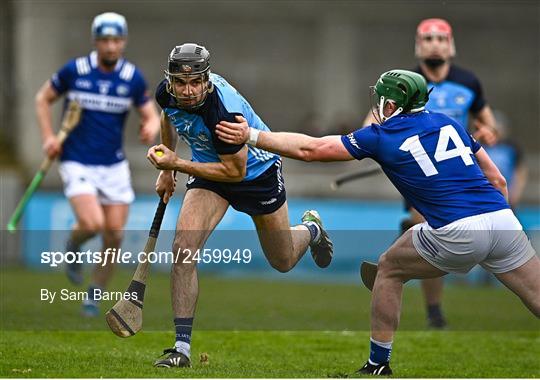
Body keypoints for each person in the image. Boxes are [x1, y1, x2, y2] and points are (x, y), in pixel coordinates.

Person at [215, 69, 539, 376]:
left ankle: (377, 364)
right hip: (501, 220)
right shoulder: (449, 123)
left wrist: (252, 135)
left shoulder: (381, 135)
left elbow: (311, 149)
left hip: (456, 232)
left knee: (388, 269)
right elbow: (496, 180)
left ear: (393, 104)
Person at [145, 43, 333, 368]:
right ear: (170, 80)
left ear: (206, 81)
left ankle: (312, 229)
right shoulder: (167, 93)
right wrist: (168, 167)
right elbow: (168, 116)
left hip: (255, 174)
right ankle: (181, 349)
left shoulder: (222, 113)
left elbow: (235, 171)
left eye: (195, 83)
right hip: (210, 172)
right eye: (180, 83)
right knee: (183, 248)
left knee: (283, 259)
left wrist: (178, 164)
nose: (187, 91)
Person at [363, 18, 499, 328]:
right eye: (428, 38)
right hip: (420, 173)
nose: (434, 43)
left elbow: (489, 124)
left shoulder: (468, 82)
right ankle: (434, 311)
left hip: (461, 172)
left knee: (442, 236)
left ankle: (401, 256)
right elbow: (370, 124)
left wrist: (489, 133)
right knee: (430, 225)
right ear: (418, 45)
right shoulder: (404, 82)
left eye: (441, 38)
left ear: (451, 45)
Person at [35, 12, 160, 317]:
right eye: (105, 40)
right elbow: (42, 99)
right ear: (96, 41)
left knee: (114, 235)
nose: (110, 46)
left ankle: (94, 294)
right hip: (77, 160)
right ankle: (74, 244)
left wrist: (150, 126)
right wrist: (49, 137)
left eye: (116, 40)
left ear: (124, 41)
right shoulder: (75, 71)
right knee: (92, 224)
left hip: (113, 165)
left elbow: (150, 113)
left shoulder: (131, 77)